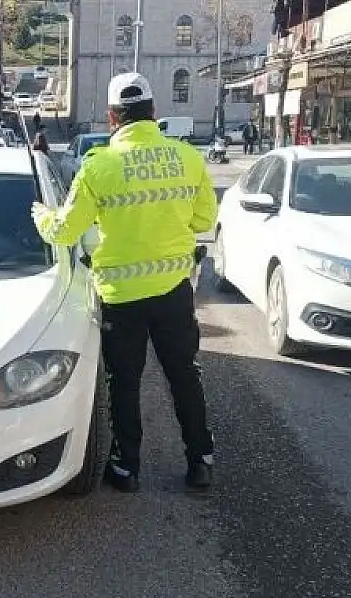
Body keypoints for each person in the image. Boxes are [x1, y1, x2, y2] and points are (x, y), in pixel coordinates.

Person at [30, 72, 217, 492]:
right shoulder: (187, 158)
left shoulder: (99, 166)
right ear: (153, 112)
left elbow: (64, 232)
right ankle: (200, 460)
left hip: (121, 298)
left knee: (124, 381)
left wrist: (41, 216)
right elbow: (205, 220)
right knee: (184, 374)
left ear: (113, 117)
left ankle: (126, 467)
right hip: (173, 291)